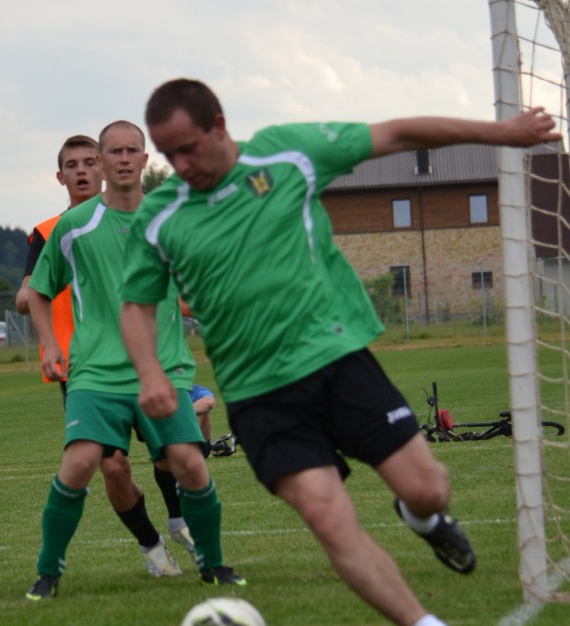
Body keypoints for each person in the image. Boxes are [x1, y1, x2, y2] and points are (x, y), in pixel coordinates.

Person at [120, 78, 561, 626]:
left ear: (219, 125)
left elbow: (399, 133)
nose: (180, 165)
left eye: (188, 148)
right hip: (260, 396)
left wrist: (501, 133)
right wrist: (150, 373)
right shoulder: (160, 216)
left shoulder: (288, 153)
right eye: (168, 155)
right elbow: (135, 303)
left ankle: (422, 519)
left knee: (428, 489)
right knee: (328, 517)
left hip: (337, 363)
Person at [24, 120, 245, 601]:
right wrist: (51, 345)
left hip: (163, 368)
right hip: (97, 372)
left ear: (146, 160)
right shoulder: (73, 227)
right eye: (114, 152)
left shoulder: (172, 221)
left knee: (189, 462)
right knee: (82, 464)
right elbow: (38, 292)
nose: (123, 159)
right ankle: (48, 572)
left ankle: (213, 563)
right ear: (102, 162)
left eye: (132, 151)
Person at [19, 134, 192, 577]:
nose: (80, 171)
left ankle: (180, 521)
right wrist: (42, 297)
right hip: (86, 365)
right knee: (111, 465)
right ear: (60, 176)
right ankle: (151, 546)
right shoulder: (51, 230)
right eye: (70, 165)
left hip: (151, 357)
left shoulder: (145, 214)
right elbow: (29, 293)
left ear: (101, 167)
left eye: (87, 163)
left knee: (169, 454)